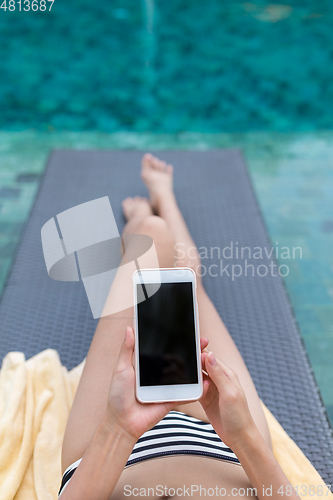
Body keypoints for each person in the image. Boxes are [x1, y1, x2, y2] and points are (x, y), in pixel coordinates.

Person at [58, 154, 298, 500]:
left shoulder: (115, 429)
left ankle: (143, 216)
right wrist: (243, 434)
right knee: (188, 281)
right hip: (230, 446)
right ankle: (164, 197)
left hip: (105, 450)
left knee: (151, 240)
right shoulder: (237, 436)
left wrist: (119, 427)